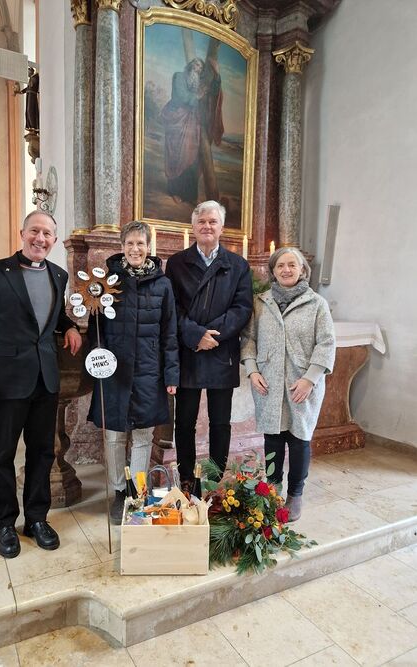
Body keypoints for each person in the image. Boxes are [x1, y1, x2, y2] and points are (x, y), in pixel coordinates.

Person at [0, 211, 82, 558]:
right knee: (2, 454)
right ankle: (5, 523)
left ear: (54, 240)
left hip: (45, 379)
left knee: (43, 453)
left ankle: (36, 519)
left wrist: (69, 327)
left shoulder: (58, 275)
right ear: (22, 233)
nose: (40, 239)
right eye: (35, 231)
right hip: (5, 381)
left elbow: (51, 315)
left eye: (47, 234)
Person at [87, 221, 179, 523]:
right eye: (130, 243)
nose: (135, 249)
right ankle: (118, 491)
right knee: (114, 435)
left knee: (142, 436)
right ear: (122, 247)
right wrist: (97, 357)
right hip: (114, 370)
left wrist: (171, 375)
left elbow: (169, 333)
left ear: (149, 247)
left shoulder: (163, 285)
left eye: (141, 243)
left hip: (149, 372)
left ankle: (136, 491)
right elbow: (96, 327)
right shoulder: (107, 282)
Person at [240, 247, 335, 521]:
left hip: (302, 384)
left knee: (299, 439)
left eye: (292, 265)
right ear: (273, 271)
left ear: (302, 269)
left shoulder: (316, 304)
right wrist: (252, 371)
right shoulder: (261, 302)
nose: (286, 270)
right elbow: (248, 339)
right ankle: (272, 491)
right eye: (280, 265)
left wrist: (310, 379)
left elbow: (327, 343)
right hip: (268, 382)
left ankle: (295, 494)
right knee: (273, 439)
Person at [165, 200, 252, 489]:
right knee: (184, 422)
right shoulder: (177, 263)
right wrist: (194, 335)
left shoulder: (238, 265)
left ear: (222, 228)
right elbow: (172, 308)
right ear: (193, 227)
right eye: (201, 221)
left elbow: (242, 308)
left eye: (212, 221)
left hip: (220, 352)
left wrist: (211, 336)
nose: (207, 226)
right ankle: (187, 478)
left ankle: (214, 480)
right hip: (189, 352)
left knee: (220, 423)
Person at [162, 54, 223, 205]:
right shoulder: (179, 76)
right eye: (196, 65)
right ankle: (175, 191)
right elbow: (180, 97)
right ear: (190, 65)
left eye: (200, 67)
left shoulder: (199, 84)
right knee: (177, 155)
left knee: (192, 157)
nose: (197, 68)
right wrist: (197, 97)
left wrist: (217, 75)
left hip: (192, 122)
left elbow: (213, 92)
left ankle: (190, 196)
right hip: (177, 120)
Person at [15, 66, 40, 132]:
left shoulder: (35, 77)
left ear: (31, 72)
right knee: (27, 111)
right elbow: (28, 88)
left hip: (32, 95)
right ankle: (30, 126)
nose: (27, 74)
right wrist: (20, 92)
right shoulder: (31, 78)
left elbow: (33, 84)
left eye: (28, 72)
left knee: (30, 110)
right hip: (29, 95)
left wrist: (31, 78)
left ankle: (34, 126)